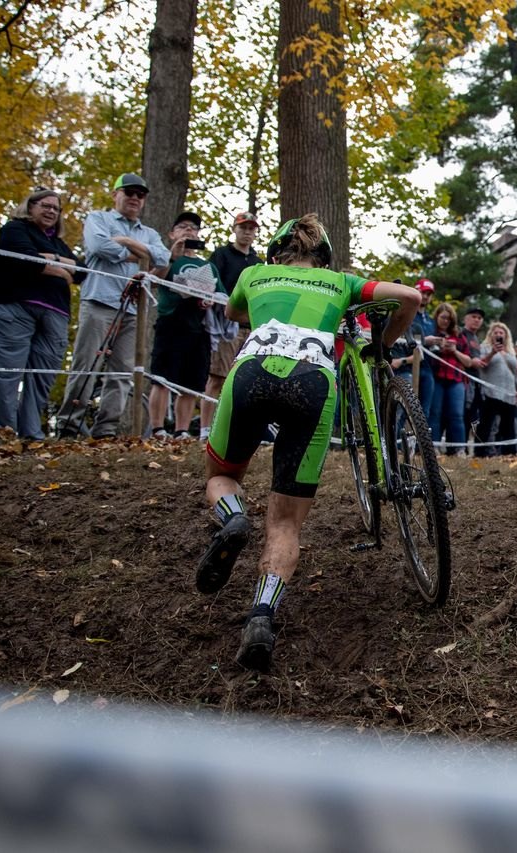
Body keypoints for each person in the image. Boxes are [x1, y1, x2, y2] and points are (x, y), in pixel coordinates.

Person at [199, 213, 419, 672]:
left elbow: (233, 313)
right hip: (314, 383)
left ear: (276, 252)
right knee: (285, 524)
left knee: (222, 475)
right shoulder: (339, 282)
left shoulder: (253, 273)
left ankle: (235, 519)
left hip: (252, 374)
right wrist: (384, 344)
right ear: (325, 256)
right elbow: (410, 296)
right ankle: (262, 614)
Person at [56, 173, 171, 438]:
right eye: (128, 192)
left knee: (121, 372)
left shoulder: (149, 232)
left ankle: (105, 430)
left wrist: (126, 242)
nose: (134, 198)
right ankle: (68, 427)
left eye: (140, 195)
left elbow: (163, 258)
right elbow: (98, 247)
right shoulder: (99, 218)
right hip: (99, 301)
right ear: (115, 195)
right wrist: (140, 254)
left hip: (133, 310)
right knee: (86, 365)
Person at [0, 189, 85, 442]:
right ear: (30, 206)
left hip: (56, 314)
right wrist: (62, 268)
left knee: (42, 376)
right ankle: (1, 434)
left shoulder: (58, 244)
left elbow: (81, 272)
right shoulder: (14, 229)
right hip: (15, 307)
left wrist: (51, 259)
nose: (51, 211)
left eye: (56, 208)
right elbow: (24, 258)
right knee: (7, 370)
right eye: (45, 205)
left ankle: (32, 433)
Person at [148, 212, 223, 440]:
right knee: (161, 376)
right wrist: (171, 256)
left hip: (198, 326)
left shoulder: (206, 265)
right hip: (171, 321)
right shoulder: (167, 258)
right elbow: (154, 279)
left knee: (192, 381)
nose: (189, 231)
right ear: (172, 233)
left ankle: (182, 430)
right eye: (182, 226)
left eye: (193, 227)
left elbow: (221, 293)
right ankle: (158, 428)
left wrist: (212, 298)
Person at [201, 211, 262, 440]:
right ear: (234, 229)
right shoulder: (221, 255)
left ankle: (237, 430)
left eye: (251, 228)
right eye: (243, 227)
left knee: (247, 379)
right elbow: (209, 283)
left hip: (253, 328)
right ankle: (205, 428)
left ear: (256, 233)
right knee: (218, 376)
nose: (247, 232)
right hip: (225, 326)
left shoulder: (258, 264)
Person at [426, 302, 474, 455]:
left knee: (456, 414)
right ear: (437, 317)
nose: (445, 321)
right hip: (436, 377)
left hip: (456, 379)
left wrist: (454, 351)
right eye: (443, 317)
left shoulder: (459, 336)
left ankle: (459, 448)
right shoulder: (430, 332)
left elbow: (469, 361)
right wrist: (434, 343)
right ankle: (434, 446)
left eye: (449, 319)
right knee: (435, 412)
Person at [472, 321, 517, 457]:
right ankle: (480, 453)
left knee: (508, 426)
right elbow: (482, 364)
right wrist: (493, 352)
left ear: (506, 336)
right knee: (486, 424)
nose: (499, 335)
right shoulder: (485, 347)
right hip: (491, 392)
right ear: (491, 335)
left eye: (501, 333)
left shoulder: (511, 352)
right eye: (496, 332)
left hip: (509, 393)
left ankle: (509, 453)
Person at [403, 279, 437, 419]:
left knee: (425, 411)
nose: (426, 296)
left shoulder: (430, 320)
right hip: (406, 367)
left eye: (429, 293)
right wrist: (424, 340)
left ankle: (419, 440)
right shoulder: (407, 313)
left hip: (427, 367)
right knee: (406, 409)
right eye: (423, 292)